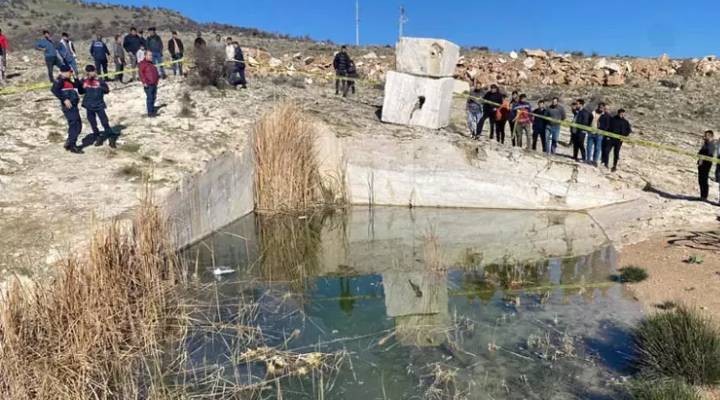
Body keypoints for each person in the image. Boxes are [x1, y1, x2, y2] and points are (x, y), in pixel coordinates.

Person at [78, 65, 116, 148]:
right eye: (89, 71)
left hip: (99, 104)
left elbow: (107, 90)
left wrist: (100, 86)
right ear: (87, 72)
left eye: (93, 71)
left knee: (104, 122)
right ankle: (98, 137)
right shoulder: (84, 80)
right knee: (93, 123)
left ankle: (111, 138)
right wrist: (81, 86)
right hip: (89, 105)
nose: (92, 73)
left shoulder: (99, 80)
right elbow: (80, 91)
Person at [50, 65, 83, 153]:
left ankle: (69, 141)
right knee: (75, 124)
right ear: (64, 72)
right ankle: (72, 145)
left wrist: (76, 78)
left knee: (78, 125)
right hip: (69, 107)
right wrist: (64, 99)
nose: (71, 73)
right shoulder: (60, 80)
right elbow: (54, 89)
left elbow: (79, 87)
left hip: (74, 106)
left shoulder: (68, 81)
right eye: (70, 72)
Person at [139, 50, 160, 117]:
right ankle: (150, 113)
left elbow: (154, 72)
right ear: (145, 56)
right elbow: (141, 74)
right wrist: (144, 82)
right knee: (150, 98)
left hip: (154, 83)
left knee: (154, 97)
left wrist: (157, 79)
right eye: (149, 55)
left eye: (151, 55)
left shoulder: (151, 63)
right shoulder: (142, 64)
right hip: (148, 84)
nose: (151, 56)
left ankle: (152, 109)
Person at [698, 130, 715, 201]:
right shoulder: (706, 143)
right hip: (702, 164)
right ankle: (702, 196)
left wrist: (702, 159)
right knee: (701, 180)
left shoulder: (711, 145)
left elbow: (709, 154)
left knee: (704, 180)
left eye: (706, 135)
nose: (704, 137)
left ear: (710, 136)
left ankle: (704, 196)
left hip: (706, 165)